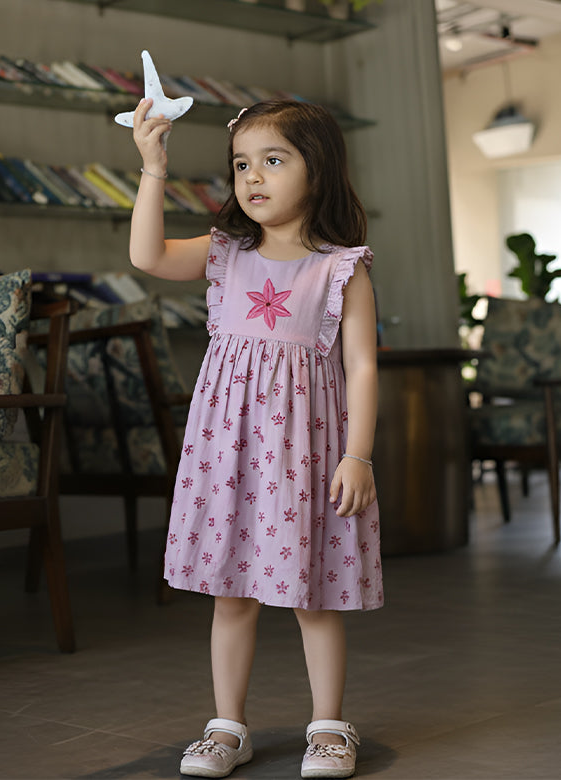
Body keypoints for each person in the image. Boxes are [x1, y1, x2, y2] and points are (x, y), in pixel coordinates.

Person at [130, 96, 383, 779]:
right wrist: (154, 167)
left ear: (318, 170)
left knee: (313, 592)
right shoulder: (225, 252)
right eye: (242, 164)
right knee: (231, 591)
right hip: (230, 451)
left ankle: (328, 729)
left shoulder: (341, 267)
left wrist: (358, 454)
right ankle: (227, 727)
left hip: (307, 453)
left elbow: (362, 365)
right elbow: (147, 255)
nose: (254, 177)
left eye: (274, 160)